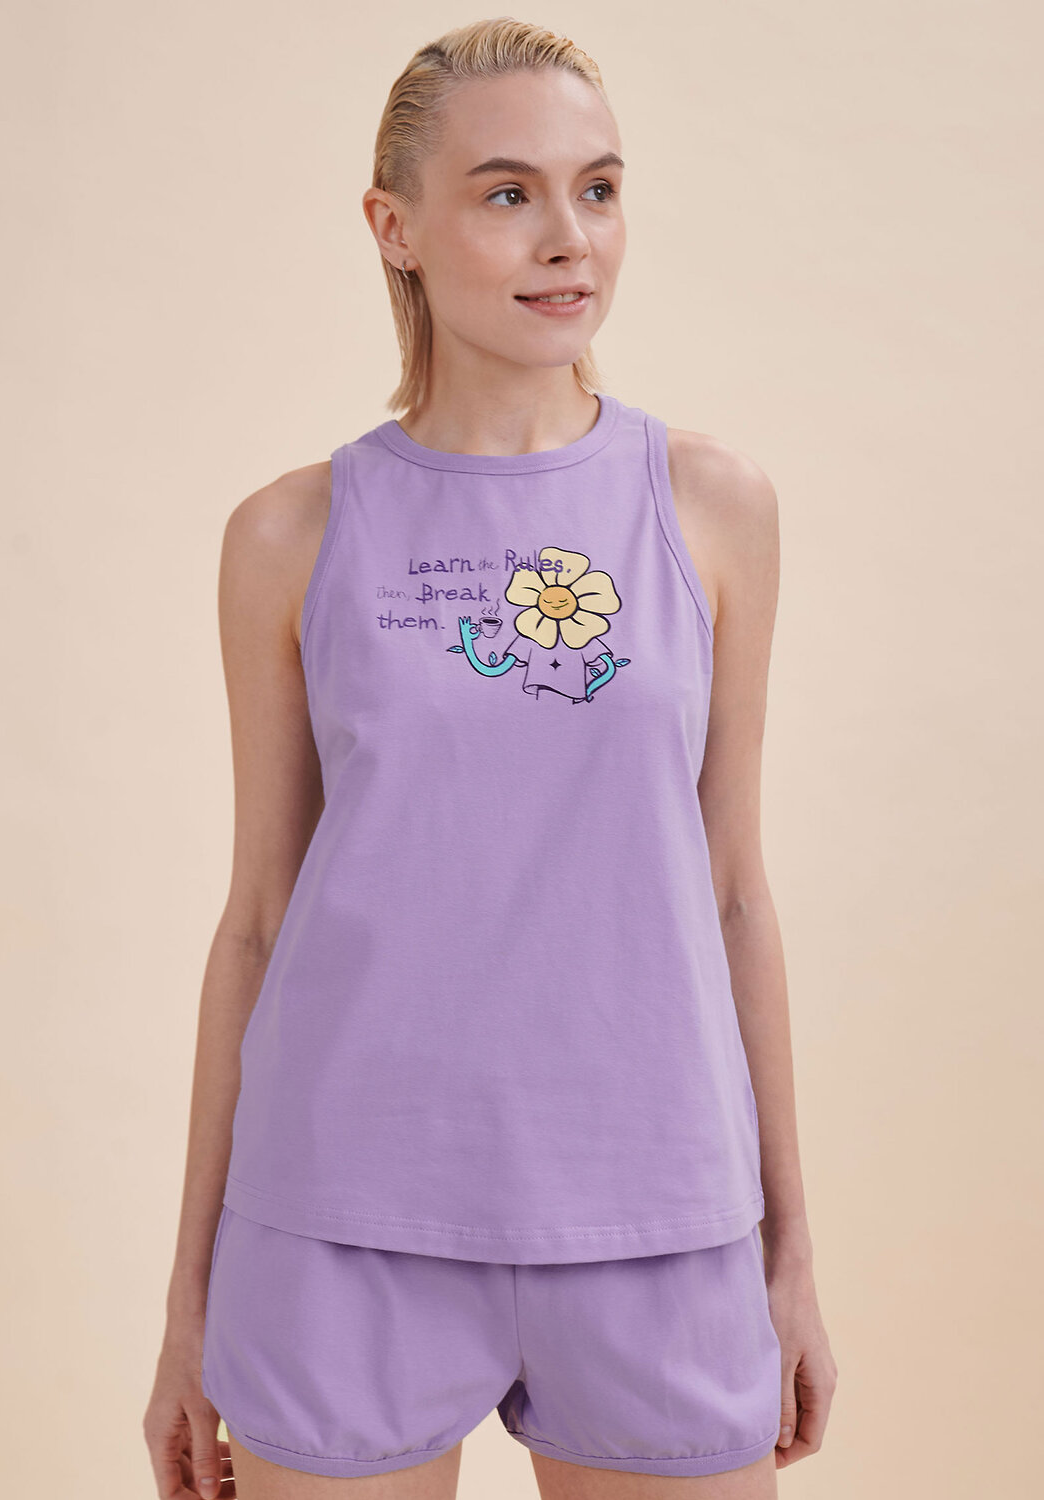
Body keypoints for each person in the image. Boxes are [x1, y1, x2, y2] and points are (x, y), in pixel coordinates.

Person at [144, 17, 838, 1500]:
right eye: (507, 192)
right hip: (340, 1223)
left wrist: (788, 1253)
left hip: (657, 1220)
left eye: (599, 189)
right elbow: (258, 920)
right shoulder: (290, 534)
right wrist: (189, 1301)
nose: (567, 238)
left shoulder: (711, 506)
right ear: (394, 227)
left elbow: (731, 892)